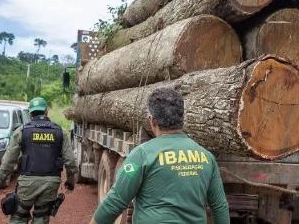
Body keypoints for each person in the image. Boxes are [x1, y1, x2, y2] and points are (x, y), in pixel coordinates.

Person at [91, 88, 230, 224]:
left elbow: (115, 202)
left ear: (152, 120)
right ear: (182, 119)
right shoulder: (206, 157)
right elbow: (220, 206)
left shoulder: (141, 155)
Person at [0, 97, 78, 224]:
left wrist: (0, 179)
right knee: (41, 217)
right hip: (51, 183)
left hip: (27, 183)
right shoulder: (60, 132)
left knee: (19, 216)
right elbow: (70, 161)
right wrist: (71, 181)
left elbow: (9, 159)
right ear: (46, 111)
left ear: (30, 113)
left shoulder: (22, 131)